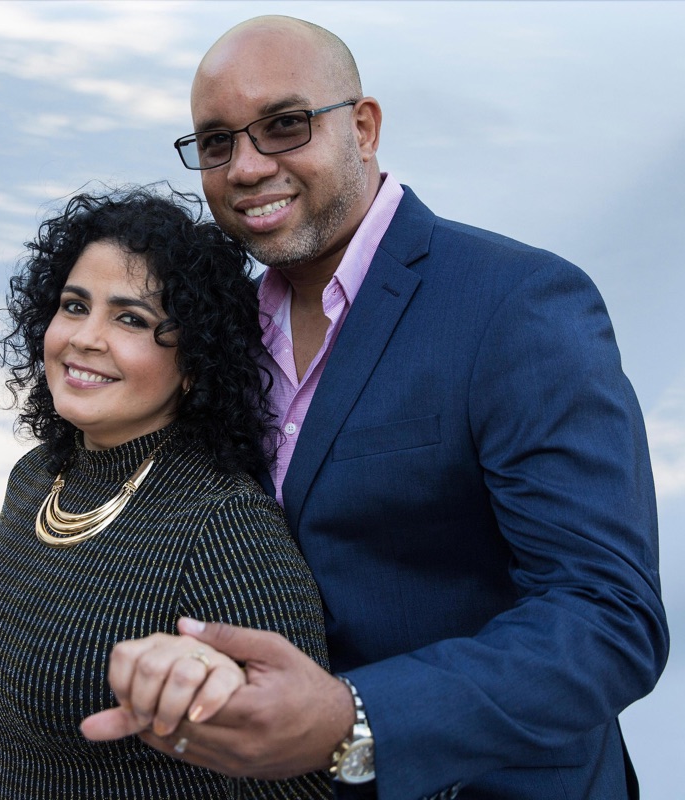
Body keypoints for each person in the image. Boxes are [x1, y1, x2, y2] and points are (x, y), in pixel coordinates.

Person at [80, 14, 671, 800]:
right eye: (217, 142)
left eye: (284, 125)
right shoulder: (217, 336)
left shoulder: (514, 305)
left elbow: (607, 617)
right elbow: (127, 537)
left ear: (362, 128)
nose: (246, 166)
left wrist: (354, 717)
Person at [0, 185, 332, 800]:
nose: (85, 338)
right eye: (74, 306)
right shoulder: (37, 476)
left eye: (131, 319)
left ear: (194, 361)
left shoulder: (221, 527)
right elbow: (25, 664)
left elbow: (302, 779)